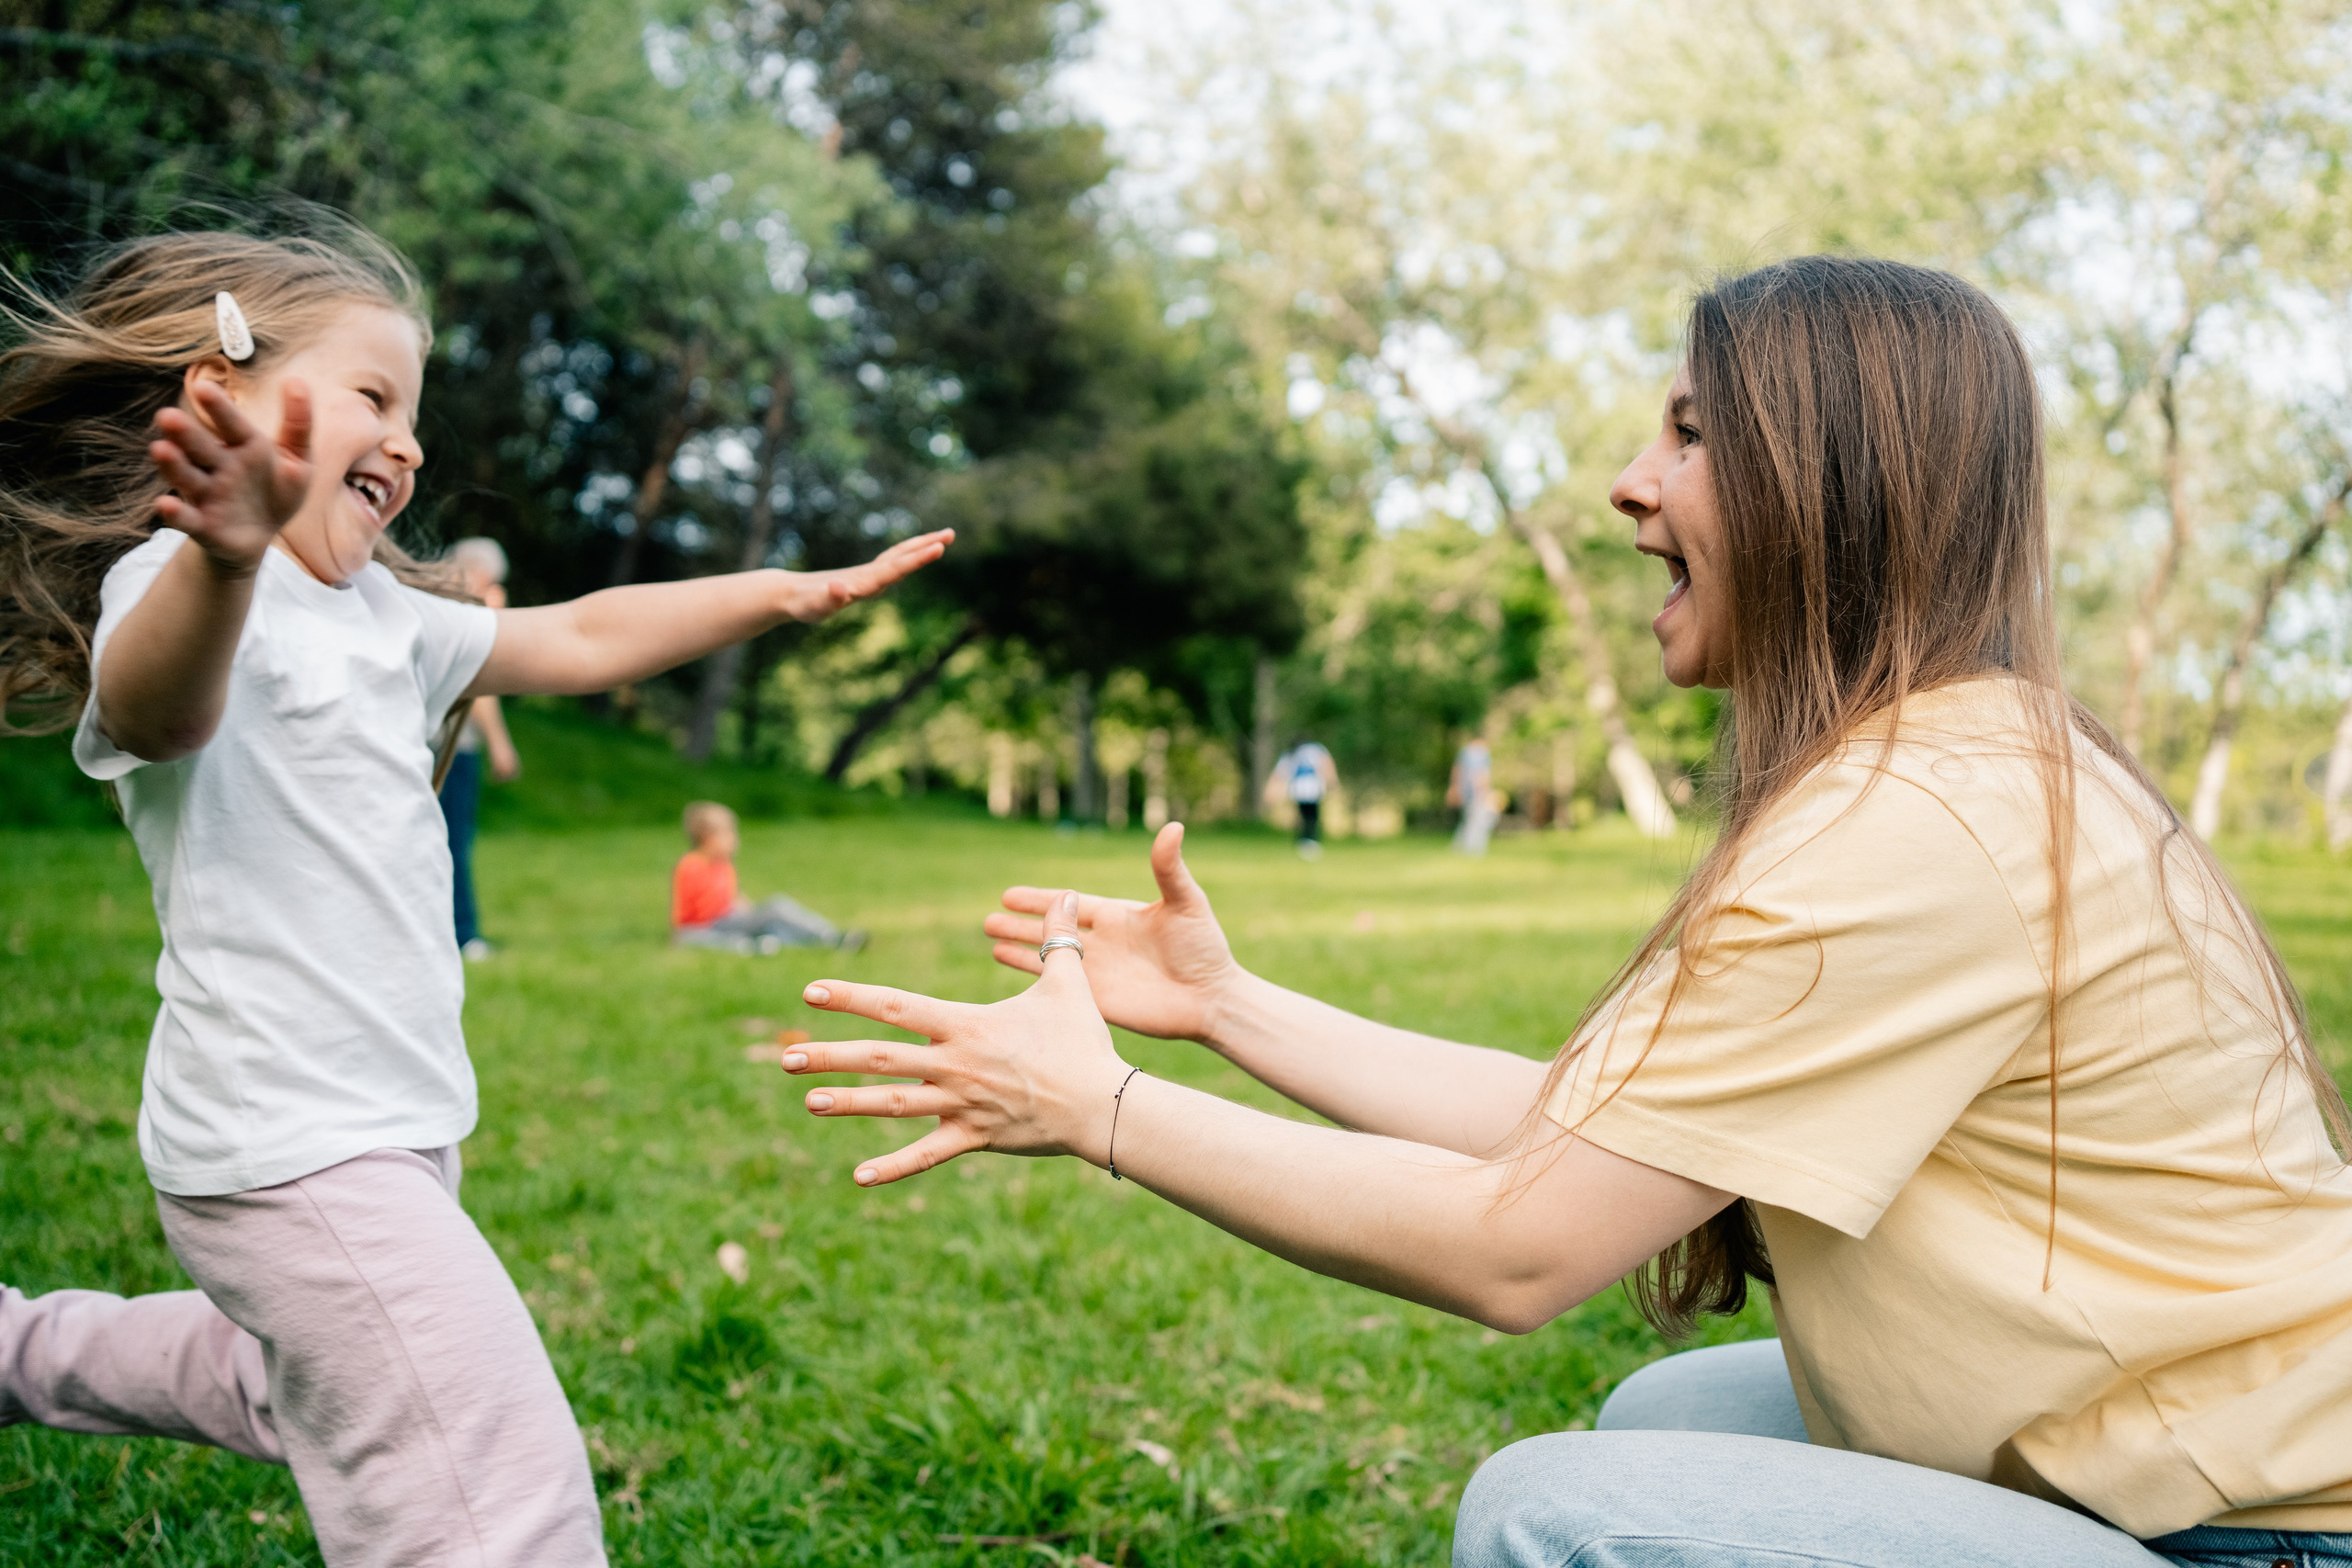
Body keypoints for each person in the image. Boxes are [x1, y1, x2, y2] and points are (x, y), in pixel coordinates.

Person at [777, 258, 2352, 1567]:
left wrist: (1100, 1106)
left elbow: (1517, 1248)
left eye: (1689, 434)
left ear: (1832, 485)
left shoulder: (1926, 819)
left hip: (2270, 1536)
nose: (1630, 484)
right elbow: (1583, 1132)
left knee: (1555, 1516)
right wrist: (1228, 1005)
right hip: (2193, 1475)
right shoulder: (1956, 759)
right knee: (1668, 1431)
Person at [0, 225, 948, 1565]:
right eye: (377, 398)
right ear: (225, 395)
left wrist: (778, 594)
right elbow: (155, 711)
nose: (412, 443)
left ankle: (19, 1347)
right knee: (500, 1492)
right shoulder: (179, 583)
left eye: (416, 413)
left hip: (394, 1131)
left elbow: (583, 630)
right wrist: (221, 556)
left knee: (297, 1379)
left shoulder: (389, 618)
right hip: (289, 1139)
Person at [439, 535, 521, 960]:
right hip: (452, 748)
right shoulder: (460, 614)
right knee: (452, 840)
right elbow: (482, 684)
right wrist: (501, 745)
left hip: (441, 746)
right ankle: (462, 933)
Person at [672, 800, 865, 954]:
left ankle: (828, 937)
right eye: (728, 834)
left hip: (729, 922)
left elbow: (732, 896)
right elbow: (696, 910)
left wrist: (746, 909)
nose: (735, 840)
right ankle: (754, 945)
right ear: (707, 837)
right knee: (776, 907)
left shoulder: (723, 865)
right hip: (709, 927)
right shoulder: (692, 865)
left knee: (773, 921)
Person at [1263, 736, 1336, 858]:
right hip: (1314, 787)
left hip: (1299, 788)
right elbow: (1326, 765)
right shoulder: (1317, 749)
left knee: (1302, 815)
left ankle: (1302, 841)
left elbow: (1281, 773)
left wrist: (1273, 791)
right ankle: (1311, 840)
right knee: (1313, 815)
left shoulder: (1291, 753)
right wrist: (1332, 782)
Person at [1448, 732, 1498, 854]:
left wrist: (1454, 788)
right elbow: (1481, 775)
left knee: (1469, 819)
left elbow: (1457, 770)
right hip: (1477, 793)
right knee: (1478, 821)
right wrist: (1483, 792)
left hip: (1466, 791)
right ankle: (1473, 848)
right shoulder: (1481, 754)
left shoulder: (1464, 752)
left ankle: (1460, 847)